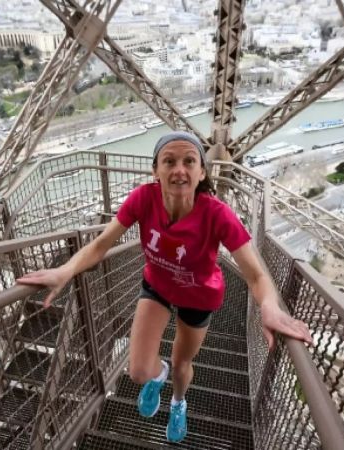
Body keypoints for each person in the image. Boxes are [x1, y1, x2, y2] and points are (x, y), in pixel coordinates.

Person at [17, 131, 313, 443]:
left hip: (198, 297)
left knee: (183, 363)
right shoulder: (144, 199)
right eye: (169, 161)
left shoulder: (217, 214)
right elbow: (103, 243)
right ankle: (159, 375)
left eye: (189, 161)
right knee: (138, 372)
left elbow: (256, 275)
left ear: (201, 173)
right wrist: (66, 271)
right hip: (157, 285)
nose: (179, 170)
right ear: (155, 170)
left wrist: (268, 305)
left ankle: (178, 401)